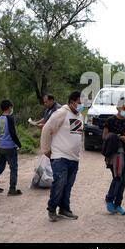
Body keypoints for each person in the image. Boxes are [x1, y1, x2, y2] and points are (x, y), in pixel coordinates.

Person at [41, 91, 84, 222]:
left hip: (73, 158)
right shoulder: (61, 113)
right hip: (60, 156)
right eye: (80, 103)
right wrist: (46, 150)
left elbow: (76, 134)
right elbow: (46, 129)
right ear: (72, 102)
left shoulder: (79, 115)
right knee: (59, 183)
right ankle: (52, 209)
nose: (82, 105)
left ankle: (64, 209)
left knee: (68, 185)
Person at [102, 97, 125, 215]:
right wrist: (118, 137)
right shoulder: (110, 120)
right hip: (113, 153)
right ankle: (109, 199)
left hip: (124, 153)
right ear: (118, 107)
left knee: (123, 180)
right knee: (118, 177)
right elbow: (104, 137)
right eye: (124, 107)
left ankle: (118, 204)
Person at [0, 100, 22, 196]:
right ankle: (12, 189)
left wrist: (1, 137)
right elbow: (12, 133)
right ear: (9, 107)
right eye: (11, 107)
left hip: (1, 146)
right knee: (14, 168)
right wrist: (19, 144)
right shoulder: (10, 118)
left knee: (0, 167)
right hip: (10, 147)